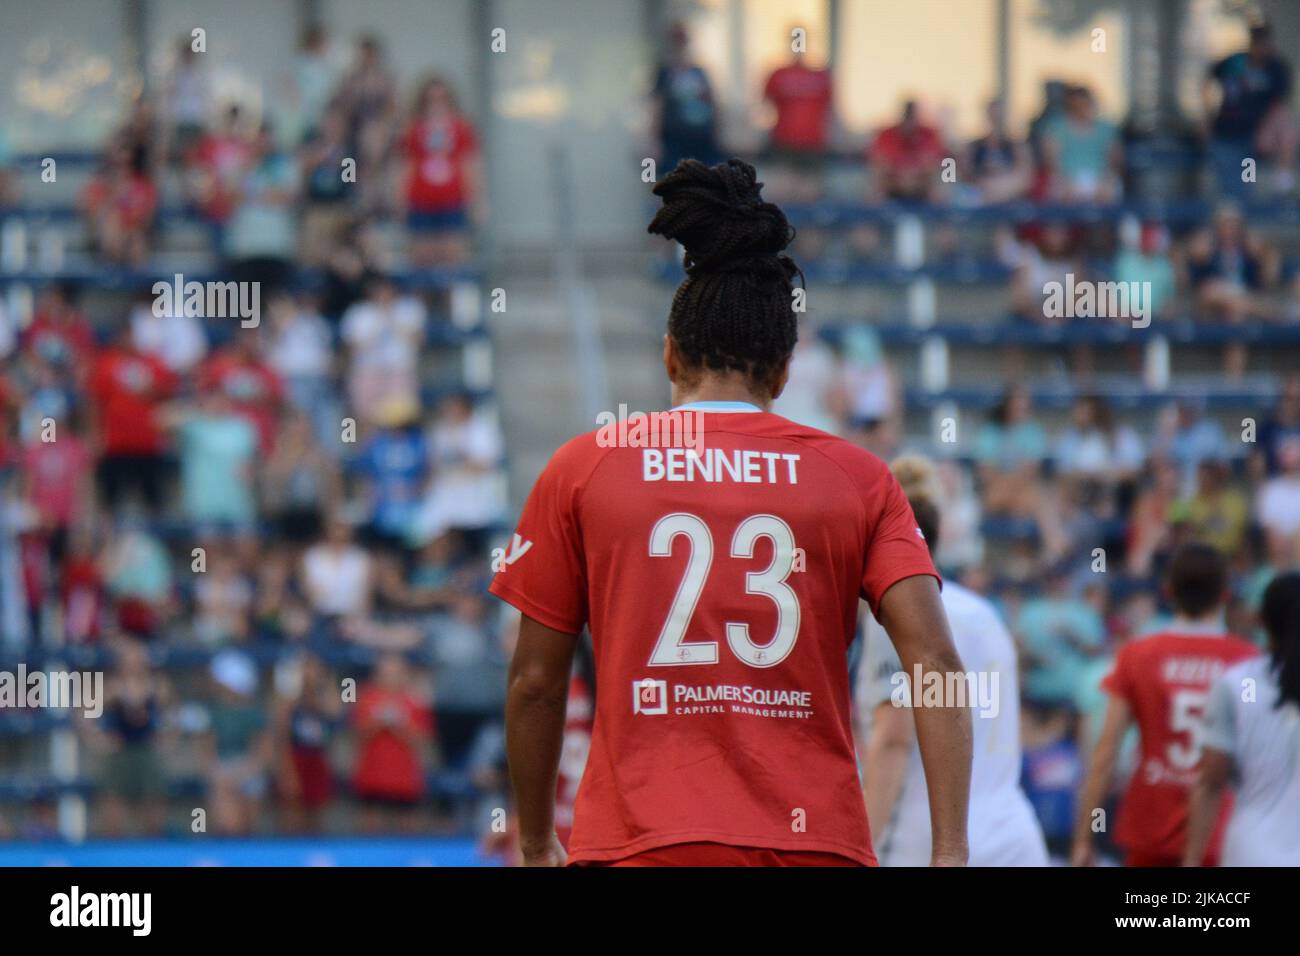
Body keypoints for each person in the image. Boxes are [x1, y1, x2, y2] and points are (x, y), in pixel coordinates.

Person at [495, 159, 971, 867]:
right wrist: (949, 853)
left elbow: (535, 682)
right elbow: (933, 661)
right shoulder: (861, 478)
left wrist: (536, 843)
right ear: (783, 370)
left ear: (669, 355)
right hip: (814, 846)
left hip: (641, 845)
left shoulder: (583, 468)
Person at [858, 456, 1047, 866]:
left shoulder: (893, 615)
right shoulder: (986, 616)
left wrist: (862, 848)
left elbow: (893, 738)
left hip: (929, 839)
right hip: (1013, 836)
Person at [1071, 543, 1259, 867]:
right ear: (1226, 594)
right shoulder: (1247, 661)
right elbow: (1256, 745)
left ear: (1168, 591)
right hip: (1223, 831)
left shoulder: (1137, 655)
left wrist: (1084, 838)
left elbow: (1106, 753)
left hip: (1151, 825)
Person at [1184, 572, 1300, 866]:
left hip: (1252, 850)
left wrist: (1192, 860)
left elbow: (1211, 781)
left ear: (1261, 620)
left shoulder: (1243, 684)